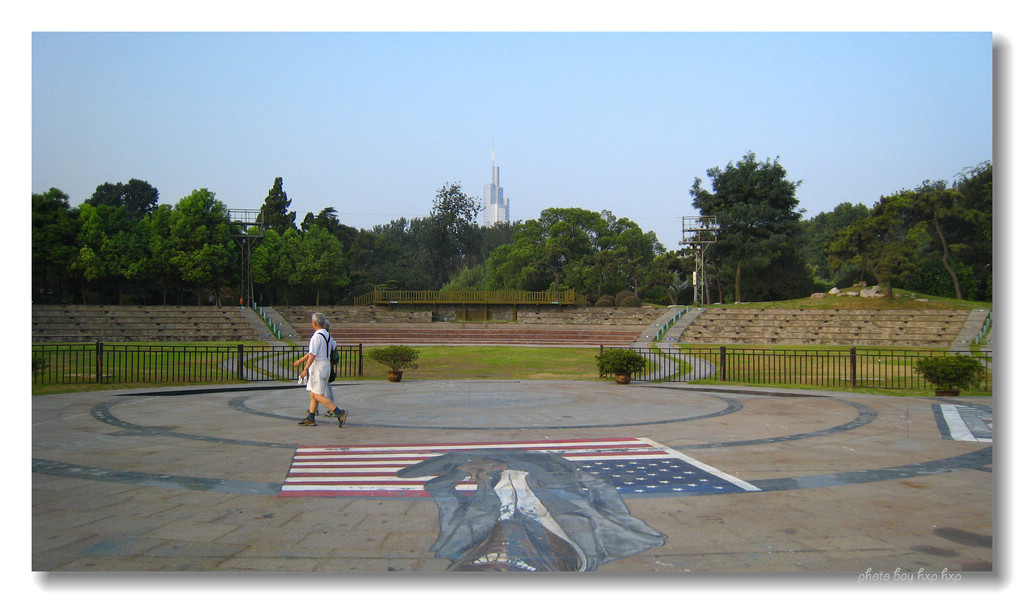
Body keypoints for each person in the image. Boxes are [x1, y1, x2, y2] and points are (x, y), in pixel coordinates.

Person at [292, 312, 347, 427]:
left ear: (314, 323)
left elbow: (312, 354)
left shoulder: (316, 337)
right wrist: (301, 361)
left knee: (317, 395)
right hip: (326, 365)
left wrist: (305, 369)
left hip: (318, 367)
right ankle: (311, 417)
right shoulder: (327, 335)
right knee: (313, 393)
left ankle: (339, 412)